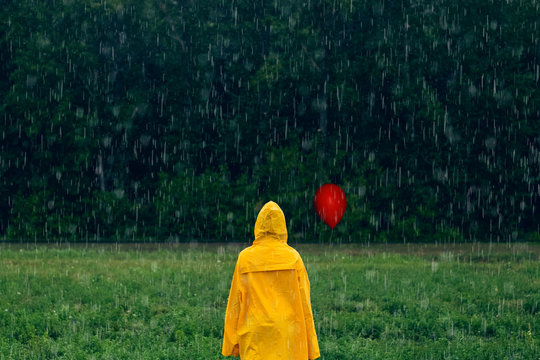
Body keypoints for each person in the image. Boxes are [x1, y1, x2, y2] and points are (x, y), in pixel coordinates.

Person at [222, 201, 320, 360]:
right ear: (282, 227)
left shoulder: (245, 259)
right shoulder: (294, 258)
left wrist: (231, 344)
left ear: (258, 226)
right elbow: (304, 304)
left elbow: (235, 303)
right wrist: (311, 346)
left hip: (254, 334)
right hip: (287, 334)